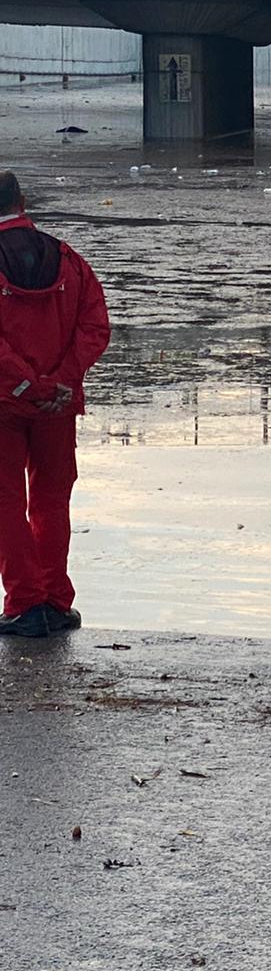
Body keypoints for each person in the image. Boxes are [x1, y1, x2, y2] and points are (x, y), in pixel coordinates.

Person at [0, 172, 110, 637]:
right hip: (59, 406)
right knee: (51, 499)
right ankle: (55, 600)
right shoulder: (69, 259)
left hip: (5, 402)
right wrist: (61, 381)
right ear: (23, 201)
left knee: (5, 500)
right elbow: (95, 326)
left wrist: (27, 385)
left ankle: (24, 602)